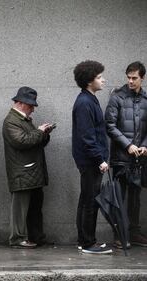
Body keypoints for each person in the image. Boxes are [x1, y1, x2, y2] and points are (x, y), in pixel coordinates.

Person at [2, 87, 52, 248]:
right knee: (20, 208)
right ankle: (17, 239)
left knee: (35, 207)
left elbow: (33, 141)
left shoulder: (23, 120)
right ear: (21, 103)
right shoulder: (11, 121)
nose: (33, 109)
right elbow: (22, 141)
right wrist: (39, 132)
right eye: (31, 105)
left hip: (31, 171)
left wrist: (44, 133)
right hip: (22, 172)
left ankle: (36, 237)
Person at [105, 61, 147, 248]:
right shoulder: (117, 98)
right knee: (119, 198)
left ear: (142, 78)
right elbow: (110, 125)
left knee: (135, 198)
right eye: (128, 77)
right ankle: (119, 235)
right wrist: (128, 145)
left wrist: (145, 146)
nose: (130, 81)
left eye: (134, 78)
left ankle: (135, 233)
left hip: (139, 159)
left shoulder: (146, 99)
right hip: (121, 158)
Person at [72, 60, 112, 254]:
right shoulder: (84, 102)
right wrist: (100, 160)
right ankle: (88, 243)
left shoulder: (88, 99)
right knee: (90, 201)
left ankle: (84, 240)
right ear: (89, 81)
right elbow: (87, 137)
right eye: (98, 77)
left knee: (86, 199)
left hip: (90, 160)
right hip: (90, 161)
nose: (103, 80)